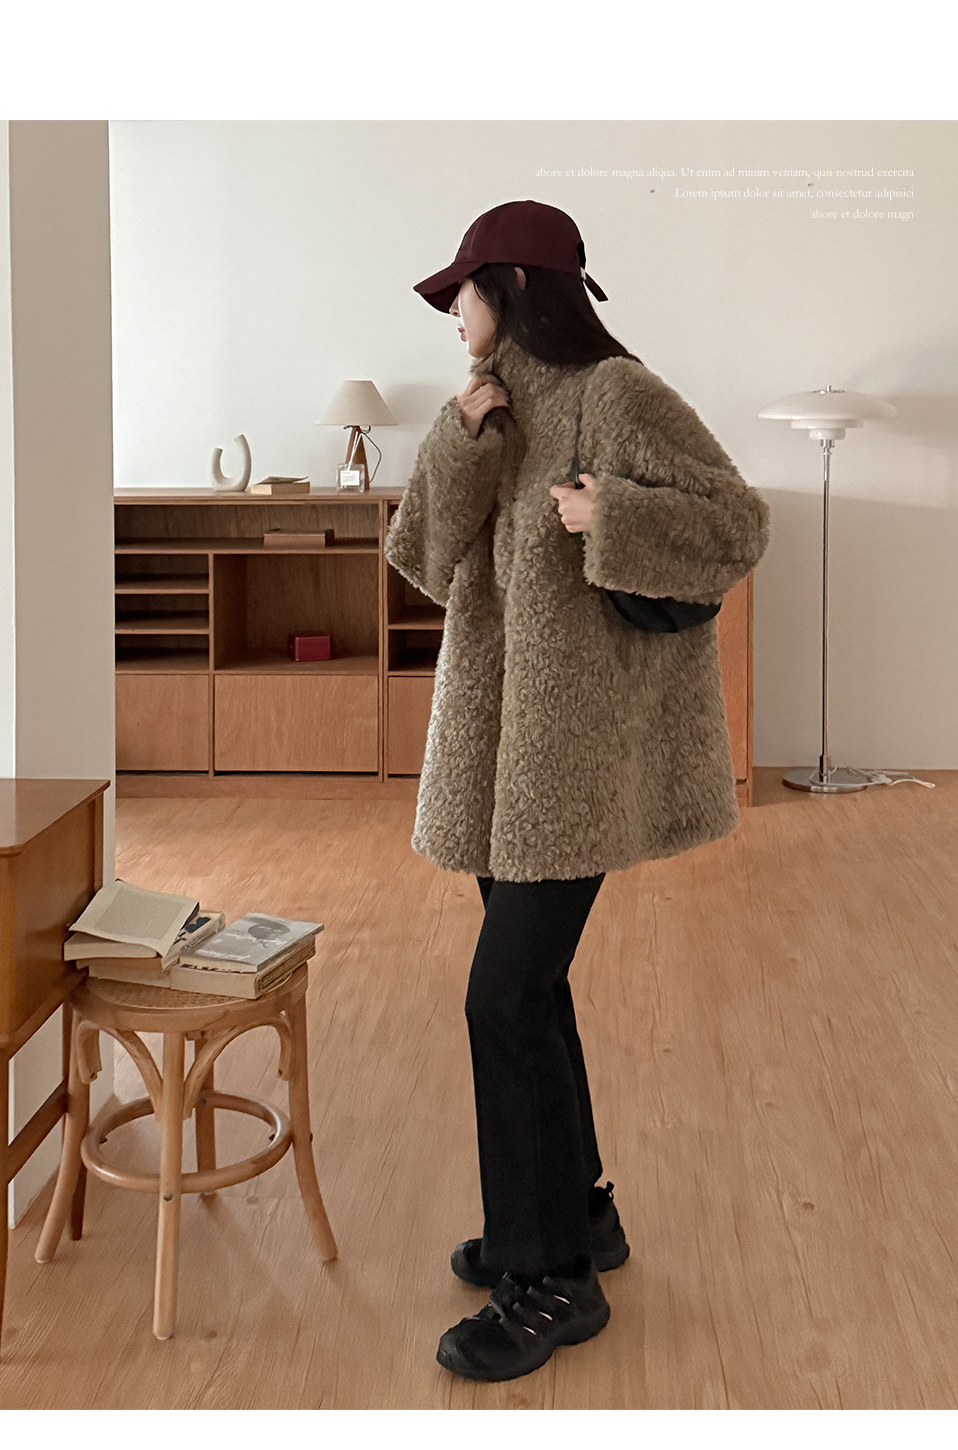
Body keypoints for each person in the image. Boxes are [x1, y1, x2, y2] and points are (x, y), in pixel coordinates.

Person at [384, 200, 770, 1383]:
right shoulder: (485, 401)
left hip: (573, 760)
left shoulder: (616, 394)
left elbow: (736, 522)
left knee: (501, 999)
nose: (454, 312)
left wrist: (616, 515)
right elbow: (418, 554)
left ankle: (548, 1278)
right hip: (500, 755)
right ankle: (580, 1216)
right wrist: (462, 435)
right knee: (531, 992)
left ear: (510, 286)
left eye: (462, 290)